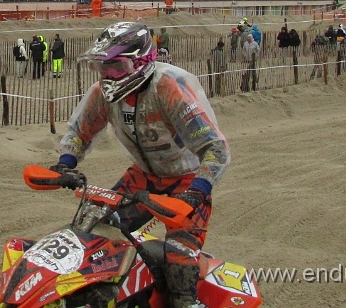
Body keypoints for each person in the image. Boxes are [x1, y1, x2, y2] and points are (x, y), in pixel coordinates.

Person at [48, 21, 230, 308]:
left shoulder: (169, 89)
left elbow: (215, 148)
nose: (108, 75)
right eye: (102, 67)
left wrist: (197, 191)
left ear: (141, 61)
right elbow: (79, 131)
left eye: (116, 67)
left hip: (187, 180)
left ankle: (186, 302)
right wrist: (65, 163)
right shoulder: (102, 94)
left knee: (180, 254)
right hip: (143, 176)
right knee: (96, 228)